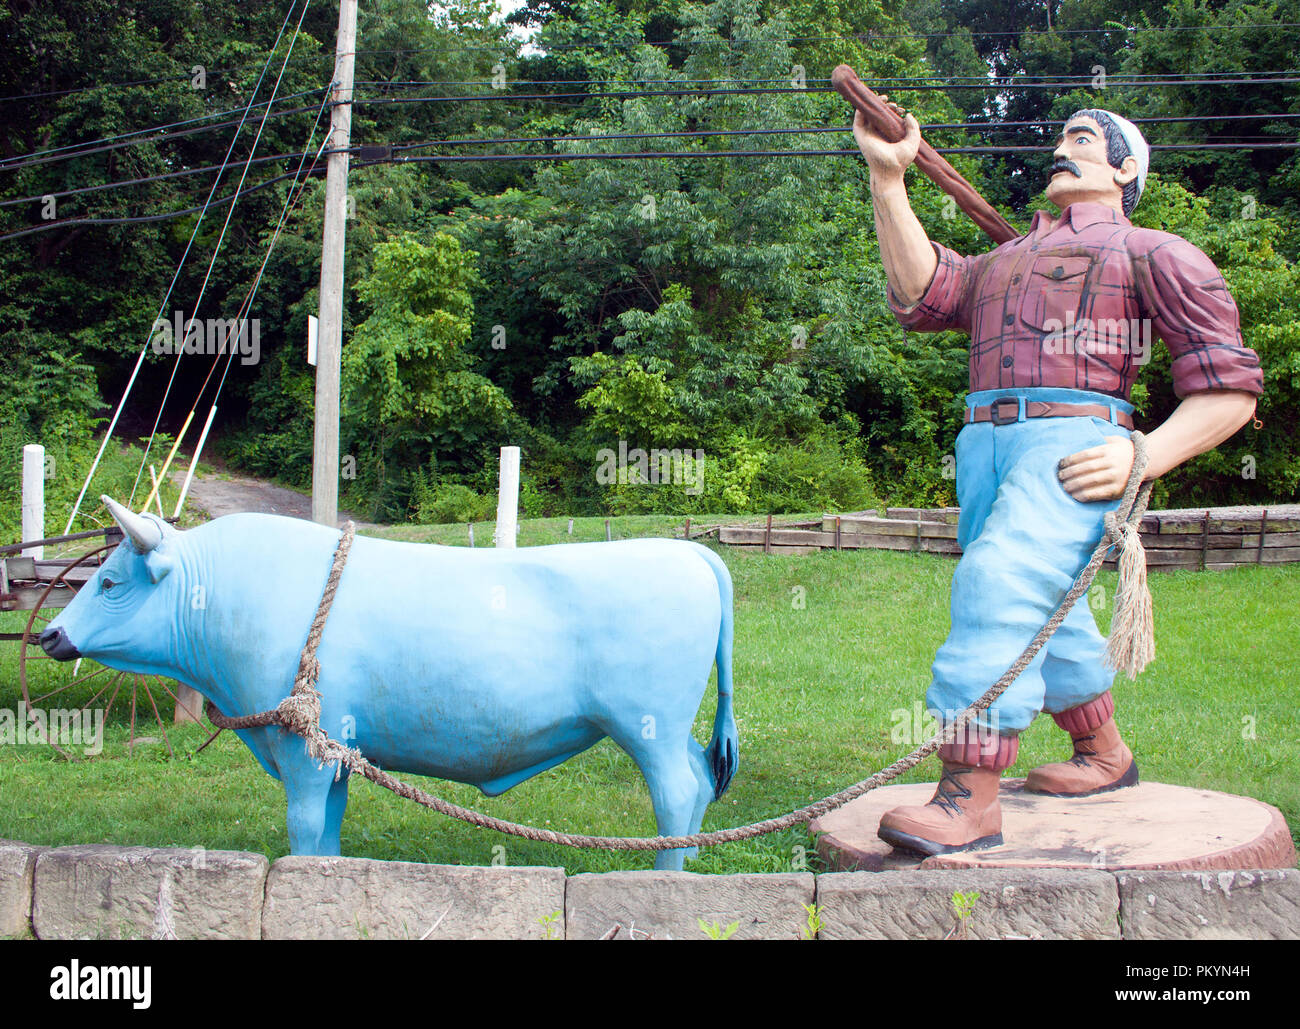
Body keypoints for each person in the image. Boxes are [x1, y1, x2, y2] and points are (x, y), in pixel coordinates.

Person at [853, 104, 1264, 856]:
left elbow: (1229, 388)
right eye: (1062, 140)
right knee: (1050, 602)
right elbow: (922, 293)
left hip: (1075, 444)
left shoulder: (1156, 253)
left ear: (1126, 168)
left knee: (1001, 582)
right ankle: (1105, 753)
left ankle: (967, 795)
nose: (1060, 151)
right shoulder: (1003, 262)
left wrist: (1146, 452)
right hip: (984, 443)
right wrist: (889, 181)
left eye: (1081, 141)